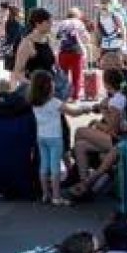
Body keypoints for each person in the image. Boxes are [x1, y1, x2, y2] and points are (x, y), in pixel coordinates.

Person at [28, 70, 89, 206]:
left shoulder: (34, 103)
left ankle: (45, 194)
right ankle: (56, 196)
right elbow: (73, 113)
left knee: (44, 165)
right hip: (55, 138)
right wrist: (85, 109)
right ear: (49, 86)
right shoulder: (55, 102)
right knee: (55, 166)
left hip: (41, 137)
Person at [67, 69, 127, 198]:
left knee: (79, 131)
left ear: (106, 84)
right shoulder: (117, 98)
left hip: (116, 140)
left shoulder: (115, 101)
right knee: (80, 145)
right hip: (113, 139)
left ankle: (77, 173)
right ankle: (84, 184)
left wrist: (96, 122)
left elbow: (112, 129)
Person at [11, 8, 56, 91]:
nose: (51, 24)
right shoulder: (27, 43)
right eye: (48, 22)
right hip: (35, 91)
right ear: (38, 23)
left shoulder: (49, 39)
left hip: (50, 87)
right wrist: (32, 85)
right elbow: (17, 72)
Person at [56, 12, 89, 102]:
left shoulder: (61, 23)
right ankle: (75, 97)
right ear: (77, 15)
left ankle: (63, 96)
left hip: (63, 53)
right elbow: (86, 37)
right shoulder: (79, 23)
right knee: (77, 76)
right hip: (76, 53)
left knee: (63, 76)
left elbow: (57, 38)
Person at [0, 2, 26, 73]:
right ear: (16, 13)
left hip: (14, 47)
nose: (21, 14)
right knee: (16, 70)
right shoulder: (15, 24)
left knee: (14, 71)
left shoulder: (11, 22)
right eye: (20, 12)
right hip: (16, 48)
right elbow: (15, 36)